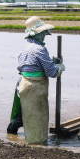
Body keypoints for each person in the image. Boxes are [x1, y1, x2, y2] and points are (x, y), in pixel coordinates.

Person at [7, 16, 65, 144]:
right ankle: (38, 144)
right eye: (43, 33)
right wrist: (60, 66)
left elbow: (26, 67)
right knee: (38, 119)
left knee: (28, 117)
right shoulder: (40, 49)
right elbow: (52, 72)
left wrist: (51, 62)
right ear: (37, 34)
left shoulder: (24, 49)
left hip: (23, 85)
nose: (45, 36)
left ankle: (26, 139)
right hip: (35, 88)